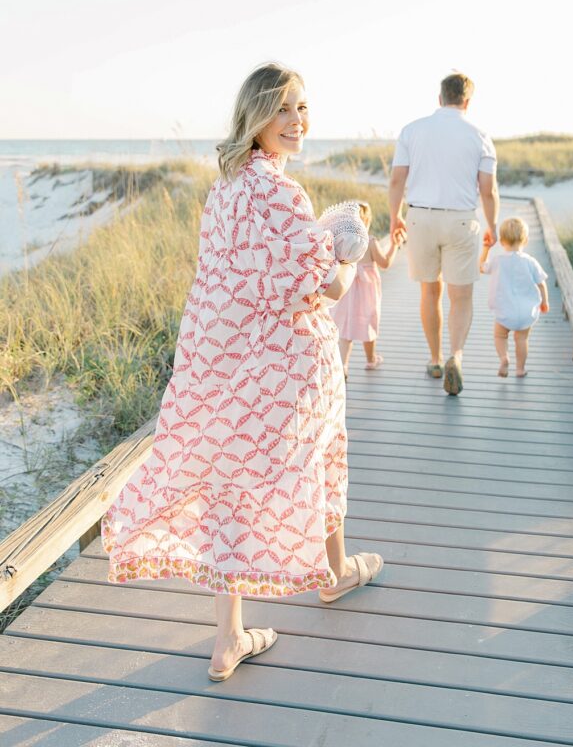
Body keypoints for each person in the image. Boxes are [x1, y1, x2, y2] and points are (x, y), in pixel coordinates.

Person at [102, 63, 383, 682]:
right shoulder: (284, 195)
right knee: (321, 456)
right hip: (291, 366)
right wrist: (348, 241)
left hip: (229, 368)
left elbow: (220, 285)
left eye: (303, 109)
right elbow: (321, 289)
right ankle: (332, 576)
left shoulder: (226, 188)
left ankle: (229, 637)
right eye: (283, 109)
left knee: (229, 483)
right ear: (255, 116)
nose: (296, 122)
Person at [389, 72, 499, 396]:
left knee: (429, 291)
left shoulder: (412, 131)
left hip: (420, 217)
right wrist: (493, 227)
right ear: (467, 101)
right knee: (461, 297)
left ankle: (435, 359)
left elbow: (397, 180)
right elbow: (488, 190)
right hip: (462, 220)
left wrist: (395, 217)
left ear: (439, 98)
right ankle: (457, 355)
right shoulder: (479, 135)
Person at [329, 201, 404, 379]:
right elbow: (385, 263)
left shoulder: (343, 242)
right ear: (367, 222)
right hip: (366, 292)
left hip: (346, 289)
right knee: (368, 322)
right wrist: (394, 245)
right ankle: (371, 359)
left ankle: (344, 366)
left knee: (345, 328)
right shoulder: (370, 242)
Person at [479, 216, 550, 377]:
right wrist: (545, 301)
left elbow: (481, 267)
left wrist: (486, 248)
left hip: (505, 310)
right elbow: (541, 283)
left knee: (500, 335)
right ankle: (520, 369)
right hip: (526, 311)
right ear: (525, 240)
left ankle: (504, 358)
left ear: (502, 240)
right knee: (522, 339)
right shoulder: (530, 261)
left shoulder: (497, 260)